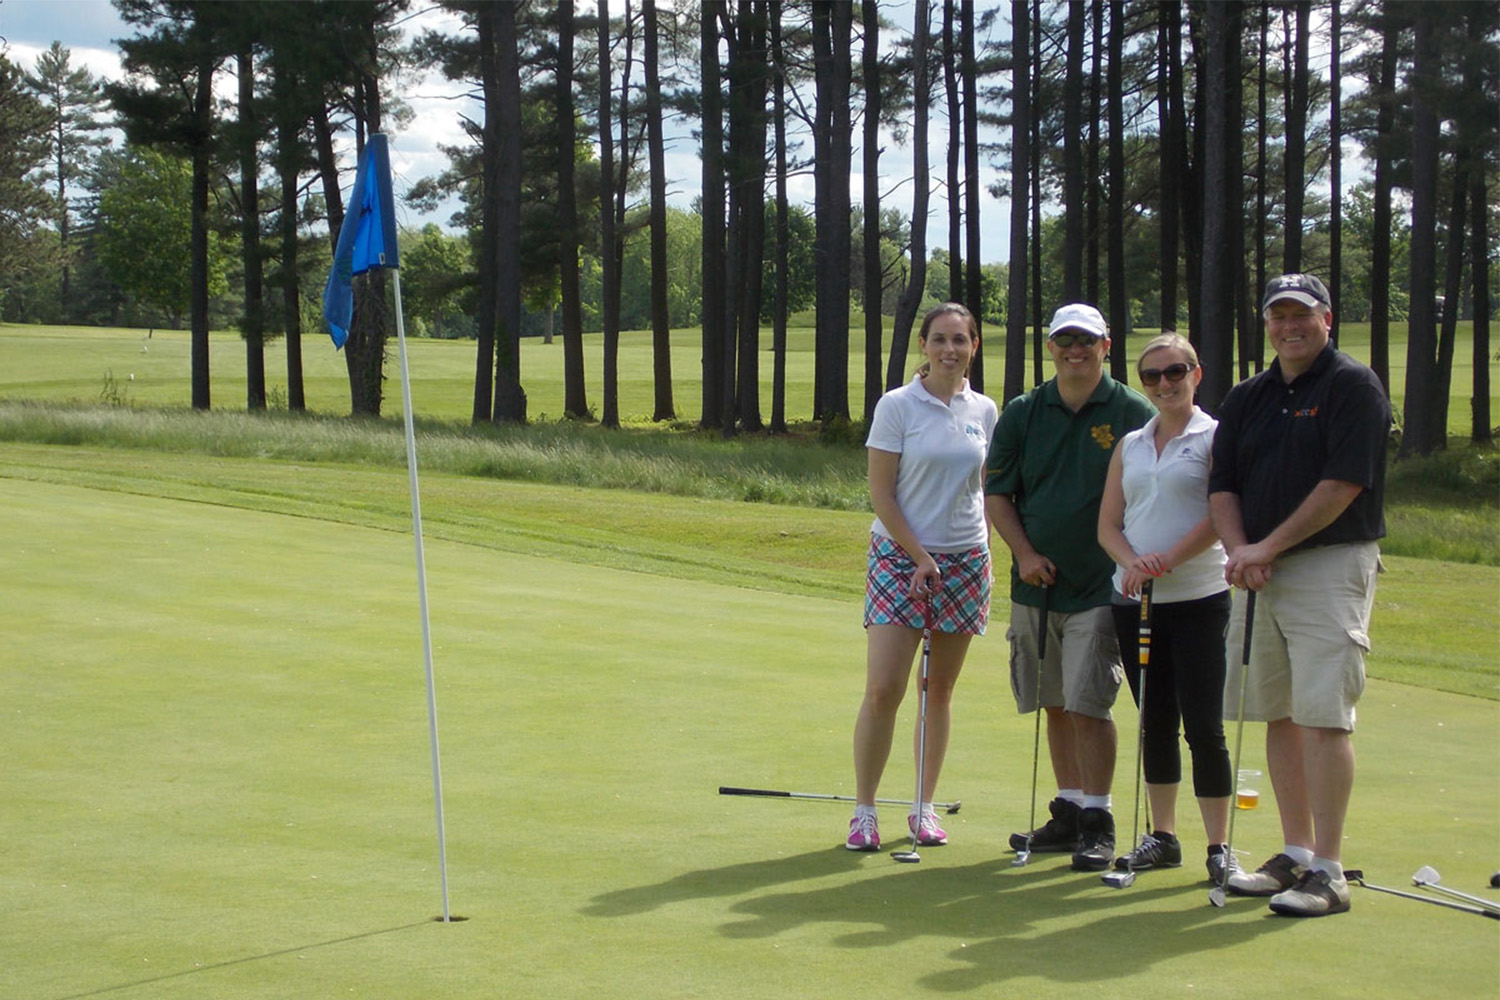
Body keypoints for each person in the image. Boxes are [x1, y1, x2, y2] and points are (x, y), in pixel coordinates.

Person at [1209, 273, 1390, 917]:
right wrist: (1238, 550)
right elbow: (1222, 485)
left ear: (1327, 318)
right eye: (1278, 316)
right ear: (1267, 324)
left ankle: (1331, 872)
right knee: (1277, 712)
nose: (1289, 326)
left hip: (1327, 564)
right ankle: (1295, 852)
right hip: (1257, 568)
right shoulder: (1247, 396)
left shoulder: (1352, 385)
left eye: (1301, 315)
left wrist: (1267, 547)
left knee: (1322, 714)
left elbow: (1342, 485)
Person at [985, 303, 1154, 871]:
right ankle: (1070, 809)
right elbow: (998, 496)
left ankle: (1098, 819)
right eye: (1064, 340)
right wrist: (1026, 554)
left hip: (1101, 587)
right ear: (1051, 347)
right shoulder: (1024, 412)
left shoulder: (1133, 410)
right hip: (1036, 585)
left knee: (1088, 703)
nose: (1074, 349)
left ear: (1106, 345)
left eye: (1086, 340)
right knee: (1053, 701)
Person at [848, 302, 999, 851]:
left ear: (973, 347)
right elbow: (882, 494)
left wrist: (978, 547)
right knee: (884, 688)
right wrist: (919, 556)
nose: (950, 350)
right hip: (898, 557)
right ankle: (865, 811)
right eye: (939, 339)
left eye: (960, 340)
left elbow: (984, 489)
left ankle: (923, 806)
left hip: (965, 560)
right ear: (923, 346)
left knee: (937, 690)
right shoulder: (897, 406)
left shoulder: (984, 409)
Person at [1096, 333, 1236, 885]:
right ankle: (1163, 835)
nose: (1163, 384)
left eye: (1174, 372)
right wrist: (1132, 562)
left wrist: (1165, 560)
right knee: (1154, 721)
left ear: (1196, 374)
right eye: (1151, 376)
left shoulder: (1215, 438)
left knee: (1203, 724)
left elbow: (1221, 515)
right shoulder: (1131, 443)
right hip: (1135, 601)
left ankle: (1220, 846)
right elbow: (1109, 524)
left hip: (1199, 597)